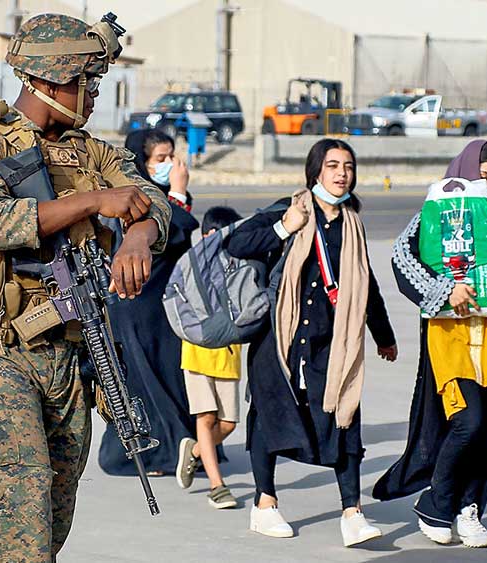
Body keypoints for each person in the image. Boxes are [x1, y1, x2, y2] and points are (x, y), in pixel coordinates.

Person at [0, 13, 171, 561]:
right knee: (22, 531)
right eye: (85, 81)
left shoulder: (91, 152)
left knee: (51, 524)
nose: (91, 94)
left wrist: (139, 237)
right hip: (0, 356)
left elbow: (148, 199)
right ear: (48, 79)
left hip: (71, 359)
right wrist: (92, 202)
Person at [225, 138, 398, 546]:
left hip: (329, 341)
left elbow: (366, 284)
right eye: (333, 165)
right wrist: (284, 226)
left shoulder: (352, 224)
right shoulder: (292, 208)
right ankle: (264, 504)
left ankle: (352, 513)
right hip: (279, 339)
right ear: (316, 171)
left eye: (349, 166)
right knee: (270, 419)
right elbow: (236, 243)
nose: (342, 173)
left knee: (344, 417)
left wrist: (383, 335)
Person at [373, 139, 487, 548]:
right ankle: (436, 502)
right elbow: (402, 261)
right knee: (466, 422)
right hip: (448, 332)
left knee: (486, 426)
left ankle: (469, 509)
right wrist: (444, 290)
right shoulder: (433, 214)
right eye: (485, 177)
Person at [98, 127, 202, 477]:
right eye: (161, 159)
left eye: (172, 157)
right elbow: (174, 230)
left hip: (162, 306)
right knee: (144, 382)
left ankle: (179, 448)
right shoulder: (136, 200)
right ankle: (152, 454)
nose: (171, 165)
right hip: (137, 305)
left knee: (168, 377)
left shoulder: (160, 196)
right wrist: (177, 193)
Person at [176, 205, 245, 510]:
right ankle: (217, 487)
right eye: (210, 233)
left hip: (229, 353)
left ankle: (194, 452)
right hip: (197, 350)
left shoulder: (240, 266)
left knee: (228, 423)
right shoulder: (191, 265)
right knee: (205, 417)